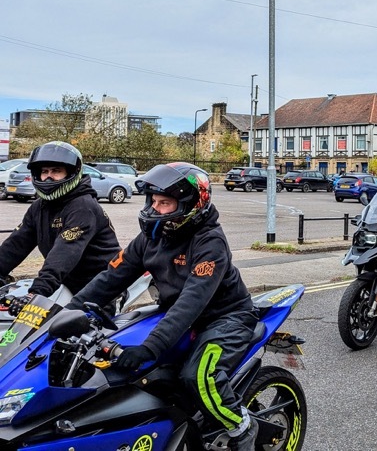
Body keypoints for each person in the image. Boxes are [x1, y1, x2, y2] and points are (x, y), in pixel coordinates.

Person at [65, 162, 259, 450]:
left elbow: (191, 302)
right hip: (176, 314)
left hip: (224, 319)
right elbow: (111, 277)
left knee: (199, 376)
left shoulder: (210, 243)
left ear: (192, 204)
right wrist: (67, 312)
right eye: (153, 201)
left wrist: (150, 347)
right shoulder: (151, 237)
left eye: (164, 203)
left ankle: (242, 426)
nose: (155, 209)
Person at [0, 141, 121, 316]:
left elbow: (65, 252)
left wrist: (36, 293)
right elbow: (17, 243)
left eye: (56, 171)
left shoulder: (82, 207)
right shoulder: (39, 206)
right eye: (44, 171)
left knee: (85, 335)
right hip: (66, 280)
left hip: (97, 283)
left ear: (71, 173)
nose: (48, 177)